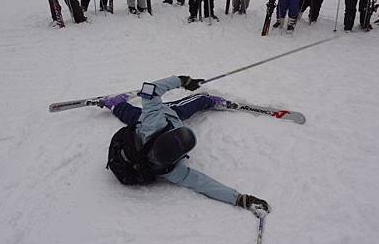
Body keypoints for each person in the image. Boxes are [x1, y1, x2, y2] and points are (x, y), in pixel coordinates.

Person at [102, 75, 270, 210]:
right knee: (199, 101)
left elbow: (149, 88)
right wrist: (240, 199)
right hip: (169, 115)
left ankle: (116, 105)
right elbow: (203, 184)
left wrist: (182, 81)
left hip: (142, 131)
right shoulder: (174, 171)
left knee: (140, 115)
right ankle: (211, 101)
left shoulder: (154, 124)